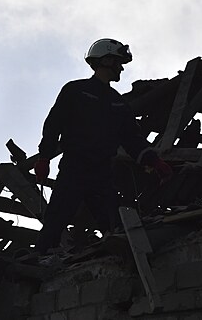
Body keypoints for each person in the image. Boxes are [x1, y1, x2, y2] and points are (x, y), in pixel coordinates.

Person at [34, 38, 173, 254]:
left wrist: (154, 161)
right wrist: (44, 158)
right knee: (56, 219)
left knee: (112, 223)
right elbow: (53, 125)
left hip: (102, 173)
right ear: (106, 60)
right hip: (74, 168)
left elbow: (131, 138)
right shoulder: (75, 91)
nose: (121, 67)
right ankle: (38, 263)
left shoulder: (117, 102)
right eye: (118, 62)